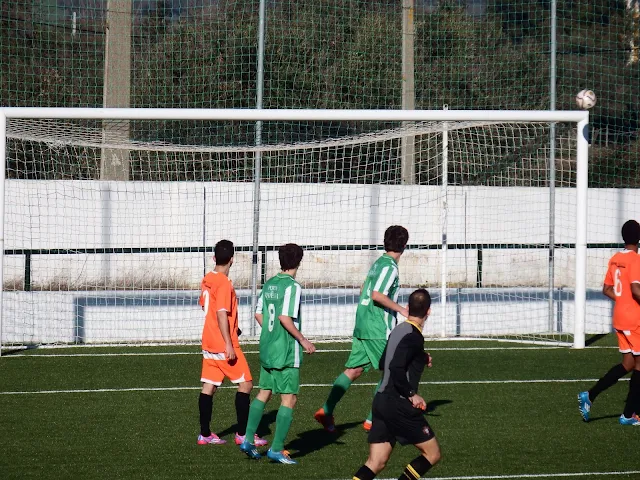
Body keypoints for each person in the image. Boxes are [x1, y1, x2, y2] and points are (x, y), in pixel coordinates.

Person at [315, 225, 409, 432]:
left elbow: (364, 290)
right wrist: (402, 310)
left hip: (363, 322)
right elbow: (377, 295)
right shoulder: (390, 267)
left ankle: (326, 411)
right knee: (392, 372)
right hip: (376, 327)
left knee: (354, 369)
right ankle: (373, 420)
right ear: (404, 245)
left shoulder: (378, 264)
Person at [240, 243, 316, 464]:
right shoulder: (293, 286)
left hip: (267, 347)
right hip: (285, 351)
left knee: (264, 392)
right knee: (289, 398)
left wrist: (270, 333)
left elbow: (258, 314)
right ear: (299, 261)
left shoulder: (270, 283)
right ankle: (276, 449)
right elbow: (284, 317)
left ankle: (247, 440)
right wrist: (302, 340)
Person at [353, 288, 440, 480]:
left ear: (408, 307)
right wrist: (411, 394)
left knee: (376, 462)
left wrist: (420, 357)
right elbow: (395, 367)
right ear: (429, 311)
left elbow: (383, 362)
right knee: (432, 454)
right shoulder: (414, 336)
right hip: (399, 403)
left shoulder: (399, 330)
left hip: (381, 401)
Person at [196, 240, 268, 446]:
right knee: (246, 384)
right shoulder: (224, 283)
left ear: (214, 258)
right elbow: (221, 312)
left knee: (209, 386)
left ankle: (205, 434)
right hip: (222, 343)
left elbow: (207, 307)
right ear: (232, 260)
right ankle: (243, 433)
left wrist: (233, 326)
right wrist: (228, 341)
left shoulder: (208, 278)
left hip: (208, 341)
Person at [578, 220, 640, 425]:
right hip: (633, 319)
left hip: (619, 317)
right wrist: (629, 301)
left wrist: (622, 300)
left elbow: (606, 289)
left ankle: (590, 395)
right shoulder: (635, 260)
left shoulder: (615, 259)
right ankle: (628, 415)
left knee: (628, 363)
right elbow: (636, 289)